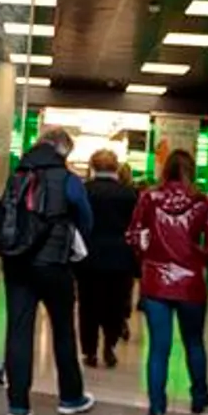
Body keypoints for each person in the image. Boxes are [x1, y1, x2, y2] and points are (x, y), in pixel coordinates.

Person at [0, 126, 96, 415]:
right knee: (63, 329)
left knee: (18, 331)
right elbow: (86, 219)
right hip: (54, 265)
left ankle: (17, 406)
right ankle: (70, 398)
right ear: (63, 151)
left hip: (16, 263)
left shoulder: (16, 176)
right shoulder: (68, 180)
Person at [127, 148, 208, 415]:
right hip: (191, 283)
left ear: (165, 169)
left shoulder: (149, 198)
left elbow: (133, 234)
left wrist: (147, 258)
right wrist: (196, 256)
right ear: (191, 171)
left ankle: (157, 408)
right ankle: (199, 395)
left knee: (159, 348)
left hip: (156, 282)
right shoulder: (201, 202)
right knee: (194, 342)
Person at [76, 150, 139, 369]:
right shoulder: (129, 194)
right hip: (120, 258)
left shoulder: (85, 191)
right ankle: (109, 345)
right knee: (114, 304)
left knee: (88, 305)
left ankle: (90, 350)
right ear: (116, 167)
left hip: (89, 256)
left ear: (92, 166)